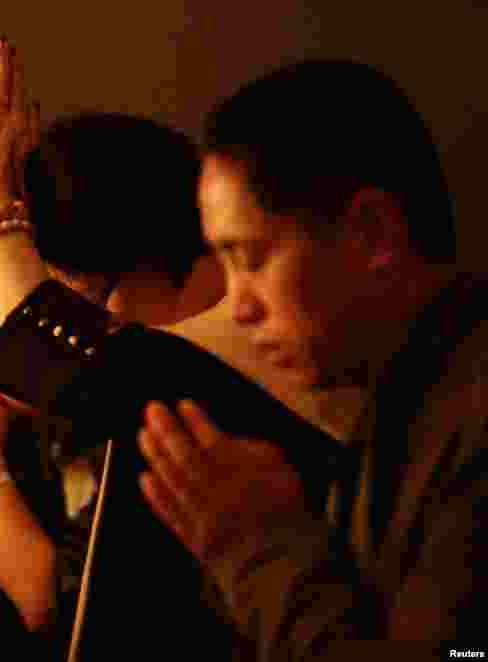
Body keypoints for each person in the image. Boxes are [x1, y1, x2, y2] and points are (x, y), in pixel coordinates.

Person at [0, 39, 349, 660]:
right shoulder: (159, 376)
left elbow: (53, 367)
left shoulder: (241, 353)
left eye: (70, 302)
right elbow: (14, 371)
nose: (57, 325)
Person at [136, 59, 484, 658]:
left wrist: (258, 548)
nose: (238, 307)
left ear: (373, 234)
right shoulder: (404, 397)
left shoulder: (473, 414)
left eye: (251, 257)